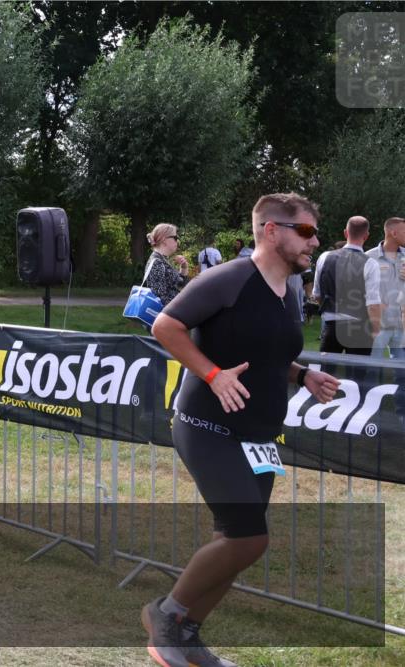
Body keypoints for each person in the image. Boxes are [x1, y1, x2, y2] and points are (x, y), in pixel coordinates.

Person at [148, 193, 340, 667]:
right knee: (247, 537)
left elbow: (263, 350)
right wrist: (213, 375)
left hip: (259, 438)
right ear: (271, 230)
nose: (314, 242)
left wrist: (302, 375)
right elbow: (165, 326)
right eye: (306, 232)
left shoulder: (289, 291)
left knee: (237, 545)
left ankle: (188, 637)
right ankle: (165, 616)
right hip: (207, 425)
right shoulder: (229, 278)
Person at [312, 216, 382, 356]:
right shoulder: (371, 264)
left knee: (327, 368)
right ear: (366, 236)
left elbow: (317, 294)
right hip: (359, 327)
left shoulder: (325, 257)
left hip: (331, 325)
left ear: (345, 233)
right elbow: (373, 304)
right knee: (357, 369)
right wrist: (376, 330)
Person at [365, 217, 405, 360]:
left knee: (402, 370)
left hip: (402, 327)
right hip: (378, 326)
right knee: (373, 369)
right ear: (393, 233)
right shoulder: (368, 258)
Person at [144, 223, 189, 306]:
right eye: (175, 238)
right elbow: (160, 299)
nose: (178, 241)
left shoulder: (162, 259)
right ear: (164, 240)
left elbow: (180, 284)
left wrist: (184, 267)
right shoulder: (157, 263)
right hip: (170, 312)